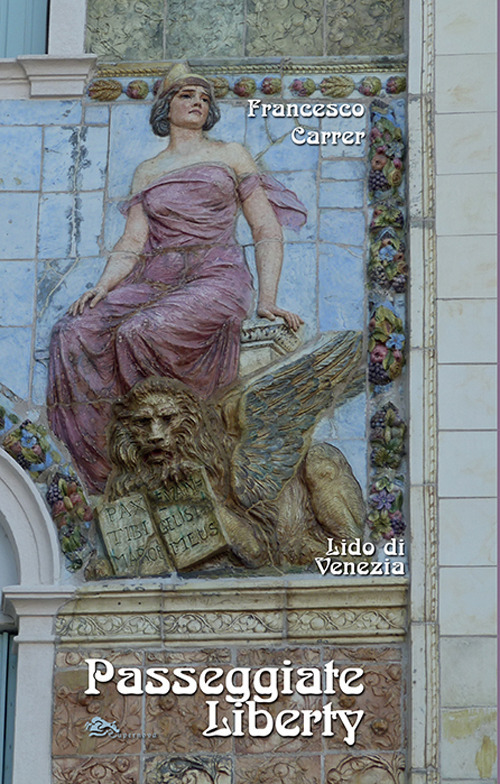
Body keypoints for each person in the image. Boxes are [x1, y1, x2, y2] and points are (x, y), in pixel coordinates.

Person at [47, 63, 307, 493]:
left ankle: (179, 449)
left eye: (205, 99)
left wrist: (267, 299)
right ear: (166, 107)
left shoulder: (231, 155)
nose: (198, 104)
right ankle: (104, 468)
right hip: (155, 278)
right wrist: (103, 285)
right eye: (188, 96)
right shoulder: (147, 171)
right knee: (71, 331)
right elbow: (132, 242)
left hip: (216, 275)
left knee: (141, 331)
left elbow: (266, 229)